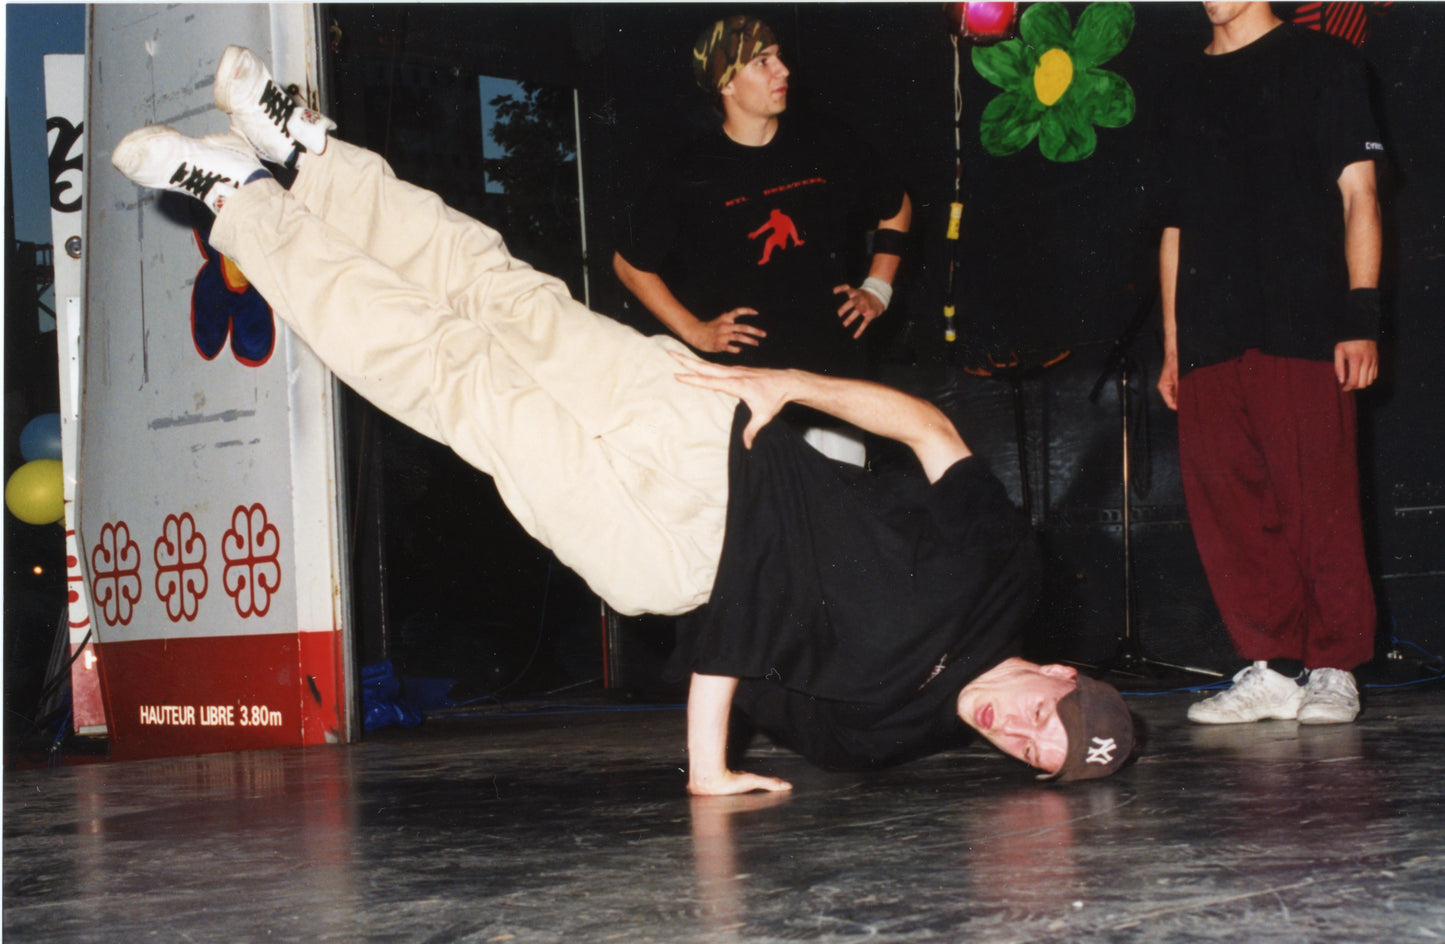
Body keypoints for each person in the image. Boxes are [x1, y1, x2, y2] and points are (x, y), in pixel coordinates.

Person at [113, 46, 1132, 794]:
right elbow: (930, 433)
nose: (1010, 727)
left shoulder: (877, 736)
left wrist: (706, 769)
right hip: (720, 435)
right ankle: (315, 159)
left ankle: (240, 198)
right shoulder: (1005, 574)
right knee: (511, 302)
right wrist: (786, 383)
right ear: (1057, 672)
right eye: (1041, 716)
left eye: (1027, 753)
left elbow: (733, 648)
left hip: (659, 557)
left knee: (448, 379)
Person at [1155, 3, 1384, 726]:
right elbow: (1173, 227)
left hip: (1302, 325)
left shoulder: (1325, 63)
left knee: (1318, 501)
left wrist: (1360, 317)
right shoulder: (1179, 83)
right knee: (1231, 511)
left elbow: (1360, 195)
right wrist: (1171, 345)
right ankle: (1273, 668)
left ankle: (1332, 667)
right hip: (1207, 334)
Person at [612, 15, 912, 466]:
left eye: (779, 57)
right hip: (750, 392)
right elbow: (630, 264)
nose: (783, 70)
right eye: (762, 61)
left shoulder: (825, 142)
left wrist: (878, 289)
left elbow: (897, 207)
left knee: (843, 526)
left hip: (835, 381)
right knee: (770, 528)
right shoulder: (690, 172)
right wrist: (694, 329)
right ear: (726, 84)